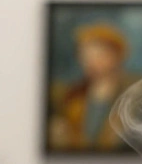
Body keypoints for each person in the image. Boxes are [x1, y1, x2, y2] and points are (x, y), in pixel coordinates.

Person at [48, 23, 136, 151]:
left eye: (97, 54)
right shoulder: (72, 94)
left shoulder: (133, 94)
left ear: (116, 56)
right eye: (85, 55)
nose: (90, 61)